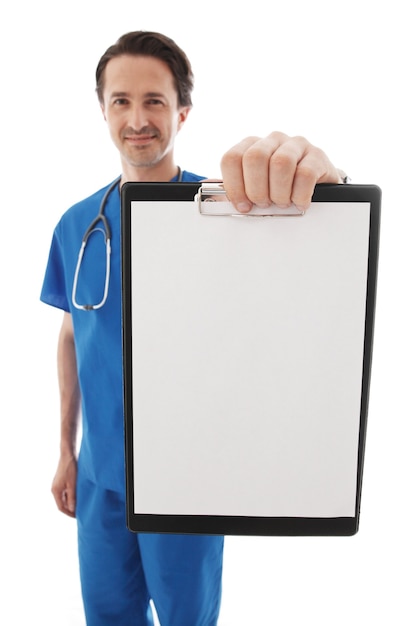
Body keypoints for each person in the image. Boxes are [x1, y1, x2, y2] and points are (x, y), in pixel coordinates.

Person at [40, 31, 346, 626]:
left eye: (154, 100)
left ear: (181, 111)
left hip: (188, 478)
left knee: (188, 619)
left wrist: (324, 188)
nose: (137, 118)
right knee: (107, 619)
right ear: (102, 110)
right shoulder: (78, 223)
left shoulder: (228, 212)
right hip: (102, 478)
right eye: (121, 100)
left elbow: (302, 290)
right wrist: (63, 451)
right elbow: (74, 334)